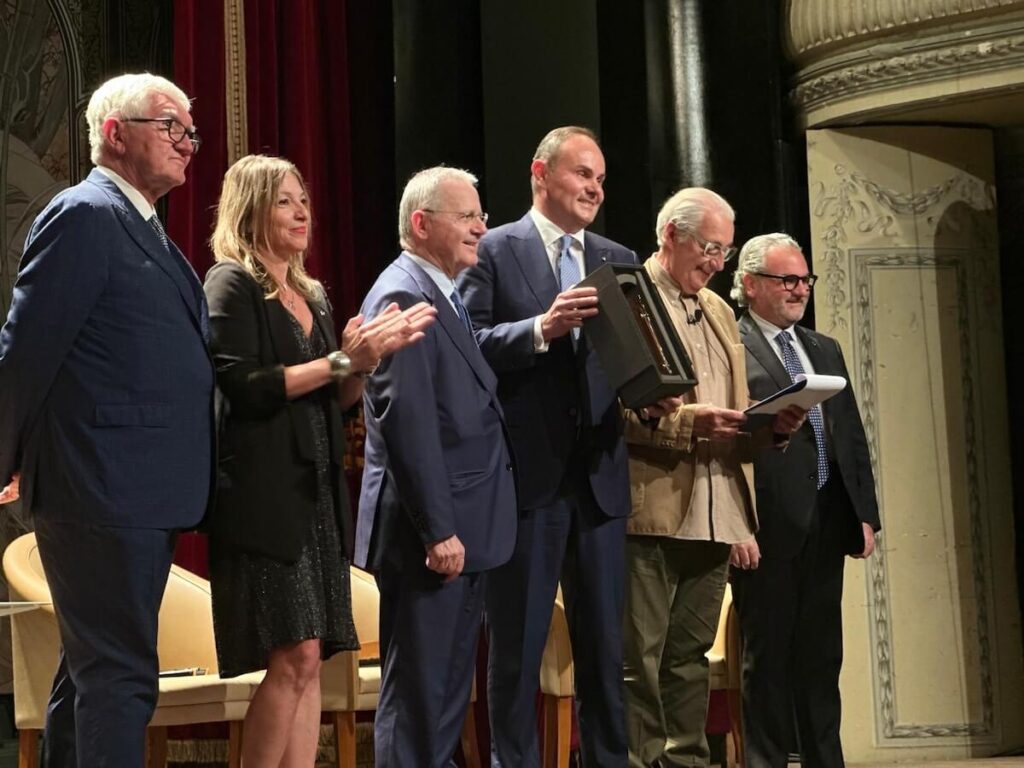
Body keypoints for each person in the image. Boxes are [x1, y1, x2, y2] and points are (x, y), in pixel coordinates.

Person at [0, 72, 210, 765]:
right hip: (100, 487)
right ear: (115, 134)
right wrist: (6, 454)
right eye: (170, 126)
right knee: (119, 678)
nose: (187, 142)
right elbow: (28, 349)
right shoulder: (85, 213)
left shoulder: (143, 225)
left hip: (135, 490)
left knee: (94, 674)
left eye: (191, 130)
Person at [203, 154, 435, 766]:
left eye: (303, 199)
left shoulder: (313, 294)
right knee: (294, 654)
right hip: (265, 498)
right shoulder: (231, 283)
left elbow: (340, 397)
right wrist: (341, 361)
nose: (301, 211)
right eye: (284, 201)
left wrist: (366, 364)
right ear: (251, 209)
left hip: (317, 494)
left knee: (312, 660)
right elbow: (245, 386)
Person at [458, 125, 672, 766]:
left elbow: (634, 357)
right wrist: (540, 329)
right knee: (518, 651)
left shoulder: (617, 257)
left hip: (600, 482)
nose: (595, 189)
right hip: (529, 483)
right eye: (583, 174)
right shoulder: (494, 250)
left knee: (606, 653)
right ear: (541, 173)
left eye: (601, 179)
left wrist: (650, 397)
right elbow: (469, 345)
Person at [620, 189, 805, 767]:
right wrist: (689, 424)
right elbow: (611, 412)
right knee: (639, 662)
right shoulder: (631, 299)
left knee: (689, 659)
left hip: (718, 509)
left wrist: (771, 428)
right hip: (653, 510)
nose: (717, 262)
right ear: (670, 235)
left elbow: (735, 411)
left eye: (725, 250)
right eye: (709, 247)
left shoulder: (721, 311)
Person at [356, 166, 517, 767]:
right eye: (467, 216)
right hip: (432, 536)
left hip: (464, 527)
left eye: (481, 215)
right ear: (421, 224)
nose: (482, 228)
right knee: (419, 701)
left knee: (444, 696)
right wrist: (437, 529)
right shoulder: (402, 296)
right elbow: (409, 421)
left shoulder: (441, 291)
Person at [731, 233, 880, 768]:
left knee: (821, 659)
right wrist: (735, 525)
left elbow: (850, 435)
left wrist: (864, 515)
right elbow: (728, 444)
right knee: (767, 661)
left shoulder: (822, 347)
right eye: (787, 280)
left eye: (805, 279)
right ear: (751, 284)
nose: (800, 289)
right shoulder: (731, 342)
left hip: (825, 519)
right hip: (766, 525)